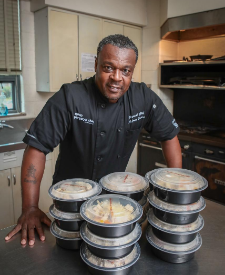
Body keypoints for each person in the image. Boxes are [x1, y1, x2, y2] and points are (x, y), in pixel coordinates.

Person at [5, 34, 182, 246]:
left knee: (108, 248)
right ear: (96, 65)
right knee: (69, 249)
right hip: (70, 199)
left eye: (125, 70)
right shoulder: (70, 97)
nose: (117, 77)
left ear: (132, 71)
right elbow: (37, 148)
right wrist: (30, 208)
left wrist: (173, 196)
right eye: (108, 67)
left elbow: (169, 136)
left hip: (113, 198)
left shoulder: (142, 98)